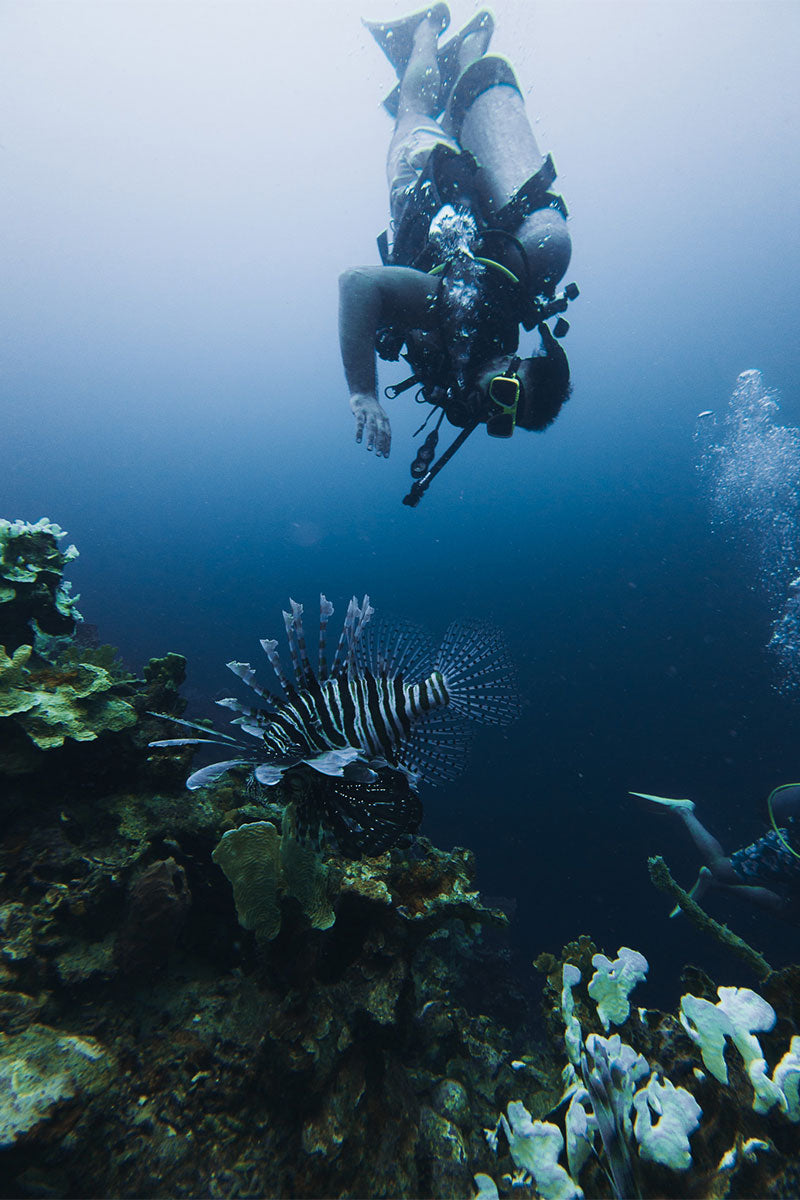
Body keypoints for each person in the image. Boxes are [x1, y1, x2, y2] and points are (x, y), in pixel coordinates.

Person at [339, 5, 577, 502]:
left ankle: (471, 46)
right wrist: (363, 390)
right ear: (513, 360)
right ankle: (427, 28)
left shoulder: (477, 343)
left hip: (450, 186)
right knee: (413, 109)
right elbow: (357, 284)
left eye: (501, 422)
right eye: (507, 396)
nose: (493, 411)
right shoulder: (466, 310)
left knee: (437, 115)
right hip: (419, 175)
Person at [632, 786, 800, 923]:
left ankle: (715, 882)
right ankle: (684, 811)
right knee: (722, 868)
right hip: (789, 848)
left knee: (788, 912)